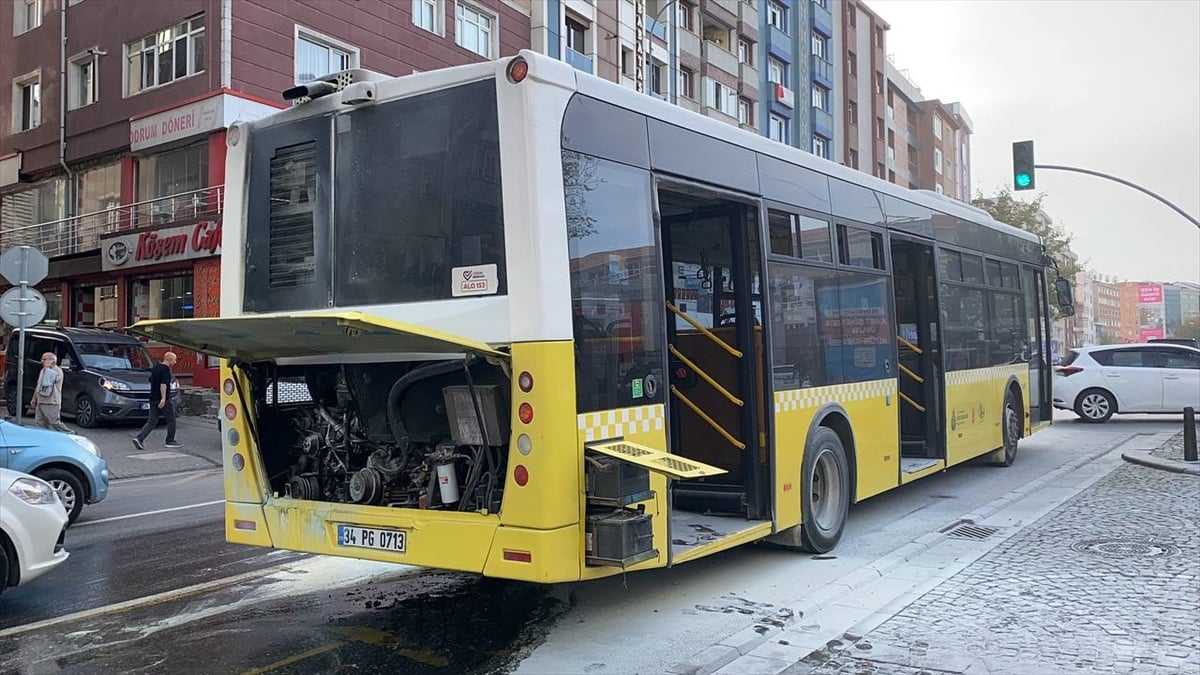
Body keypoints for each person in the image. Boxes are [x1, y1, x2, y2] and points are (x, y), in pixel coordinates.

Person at [132, 351, 183, 450]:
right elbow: (163, 384)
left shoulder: (155, 368)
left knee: (151, 421)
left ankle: (139, 438)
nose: (175, 362)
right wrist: (163, 398)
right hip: (163, 399)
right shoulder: (165, 370)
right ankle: (170, 441)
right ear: (170, 360)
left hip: (153, 398)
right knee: (171, 420)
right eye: (174, 360)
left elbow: (151, 380)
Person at [31, 352, 71, 432]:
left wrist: (48, 369)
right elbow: (39, 385)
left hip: (52, 402)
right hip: (41, 401)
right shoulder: (43, 370)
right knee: (39, 422)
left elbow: (48, 382)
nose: (42, 361)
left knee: (54, 422)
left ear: (52, 360)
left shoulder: (57, 371)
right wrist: (34, 398)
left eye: (44, 359)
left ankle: (68, 433)